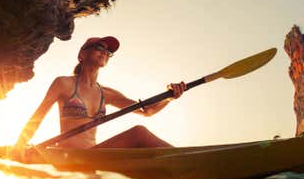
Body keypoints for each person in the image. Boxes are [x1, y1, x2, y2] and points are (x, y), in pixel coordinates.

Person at [14, 36, 186, 149]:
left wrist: (170, 97)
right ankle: (184, 160)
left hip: (94, 155)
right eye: (99, 47)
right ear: (82, 54)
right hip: (68, 156)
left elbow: (147, 111)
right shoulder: (63, 83)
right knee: (138, 133)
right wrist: (18, 147)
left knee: (140, 132)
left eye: (108, 51)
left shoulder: (107, 93)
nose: (105, 52)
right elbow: (37, 117)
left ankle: (184, 160)